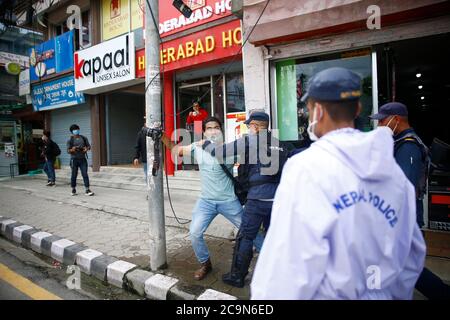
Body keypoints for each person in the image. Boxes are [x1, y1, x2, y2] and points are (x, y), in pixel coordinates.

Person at [250, 67, 426, 299]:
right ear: (358, 108)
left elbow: (286, 265)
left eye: (308, 109)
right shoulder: (392, 173)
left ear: (318, 111)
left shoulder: (305, 168)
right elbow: (412, 254)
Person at [161, 117, 262, 281]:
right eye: (209, 128)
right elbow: (175, 150)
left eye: (216, 127)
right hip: (206, 201)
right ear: (204, 132)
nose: (213, 130)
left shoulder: (231, 149)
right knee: (194, 232)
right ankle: (205, 264)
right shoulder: (197, 148)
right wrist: (162, 136)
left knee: (251, 231)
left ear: (221, 131)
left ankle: (272, 259)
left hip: (229, 201)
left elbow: (253, 160)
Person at [201, 111, 290, 288]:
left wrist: (204, 143)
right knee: (274, 237)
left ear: (255, 127)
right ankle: (280, 274)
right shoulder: (280, 145)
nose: (248, 129)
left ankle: (237, 276)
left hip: (257, 199)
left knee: (246, 237)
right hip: (277, 199)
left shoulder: (248, 141)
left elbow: (218, 152)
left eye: (249, 126)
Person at [371, 102, 450, 300]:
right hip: (397, 216)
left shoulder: (408, 146)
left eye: (382, 120)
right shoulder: (399, 142)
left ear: (395, 120)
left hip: (403, 217)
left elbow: (403, 187)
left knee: (407, 267)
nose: (379, 125)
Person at [67, 124, 94, 196]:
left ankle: (87, 189)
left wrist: (86, 149)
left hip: (83, 159)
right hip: (74, 160)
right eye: (74, 130)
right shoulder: (70, 140)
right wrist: (72, 149)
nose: (76, 131)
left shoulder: (84, 138)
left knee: (85, 174)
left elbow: (88, 146)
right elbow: (68, 151)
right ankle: (73, 189)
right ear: (72, 131)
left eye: (77, 129)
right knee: (74, 175)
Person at [133, 117, 148, 186]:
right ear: (145, 123)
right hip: (145, 159)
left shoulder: (155, 133)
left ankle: (154, 193)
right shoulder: (141, 134)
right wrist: (136, 157)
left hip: (155, 159)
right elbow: (137, 146)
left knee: (155, 175)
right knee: (147, 175)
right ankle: (150, 192)